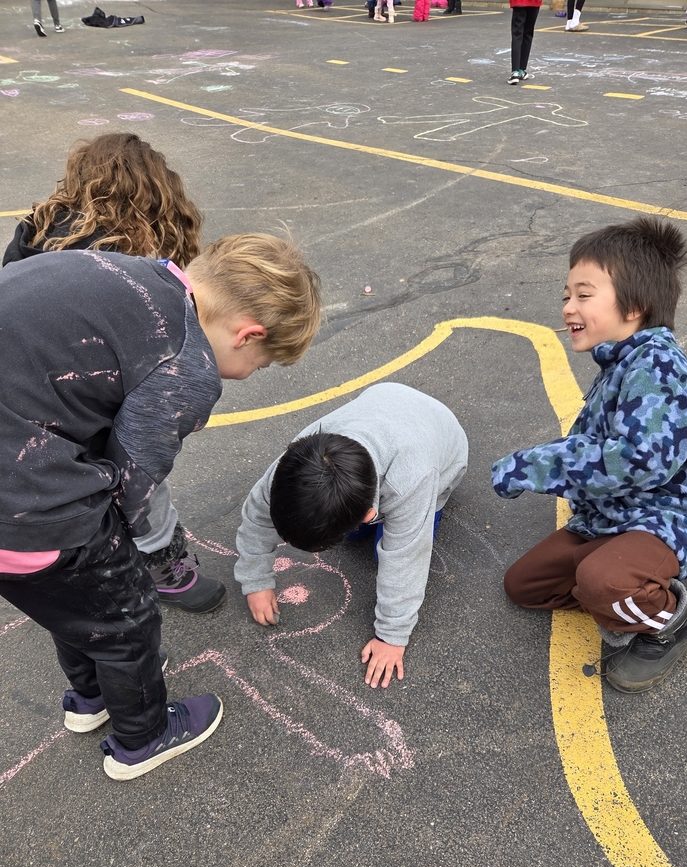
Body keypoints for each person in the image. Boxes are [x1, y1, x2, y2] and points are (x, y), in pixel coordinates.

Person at [0, 234, 321, 779]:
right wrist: (128, 551)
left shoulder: (124, 271)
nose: (250, 374)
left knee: (70, 603)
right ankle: (143, 737)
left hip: (16, 489)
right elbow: (135, 477)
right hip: (28, 508)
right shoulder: (186, 363)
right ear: (248, 335)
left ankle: (90, 697)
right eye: (261, 363)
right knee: (125, 618)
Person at [492, 217, 687, 693]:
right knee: (526, 585)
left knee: (602, 582)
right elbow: (595, 444)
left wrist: (535, 466)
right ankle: (630, 580)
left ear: (635, 306)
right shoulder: (620, 360)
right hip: (614, 514)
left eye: (583, 294)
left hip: (670, 517)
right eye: (566, 295)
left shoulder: (656, 365)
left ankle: (678, 620)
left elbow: (636, 461)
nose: (567, 308)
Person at [3, 133, 224, 614]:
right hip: (84, 399)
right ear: (159, 201)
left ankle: (92, 558)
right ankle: (161, 562)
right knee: (138, 471)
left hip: (36, 404)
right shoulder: (127, 260)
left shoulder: (38, 230)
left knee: (88, 474)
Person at [235, 383, 468, 689]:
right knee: (339, 531)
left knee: (384, 552)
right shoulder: (296, 462)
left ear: (369, 516)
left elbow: (407, 559)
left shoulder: (411, 480)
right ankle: (346, 528)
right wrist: (256, 579)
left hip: (444, 447)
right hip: (386, 403)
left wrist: (392, 636)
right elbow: (258, 514)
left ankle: (368, 524)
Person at [508, 0, 542, 85]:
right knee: (528, 34)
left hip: (519, 2)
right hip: (534, 2)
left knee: (517, 34)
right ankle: (521, 70)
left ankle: (515, 72)